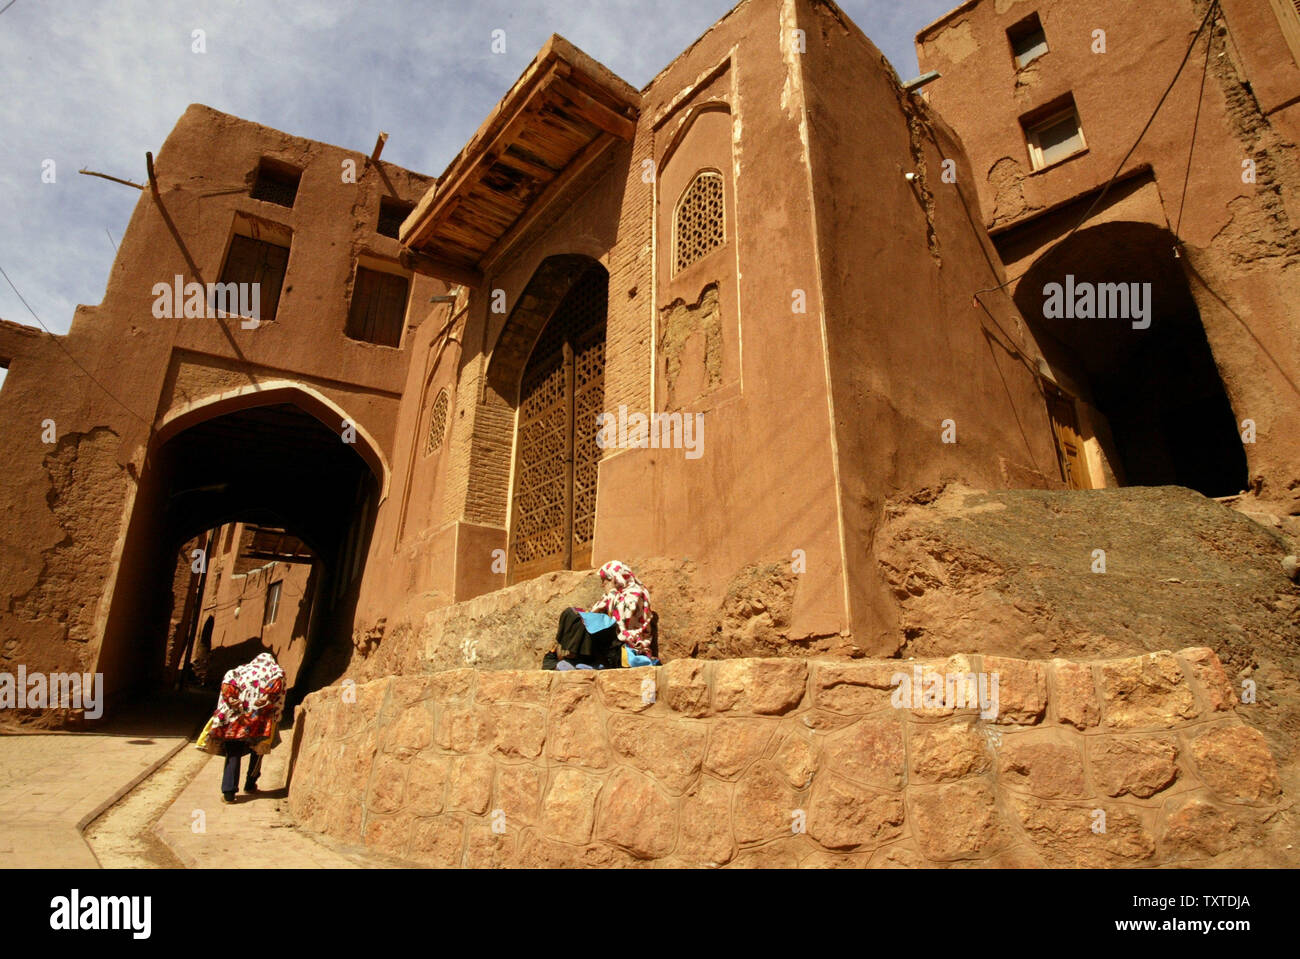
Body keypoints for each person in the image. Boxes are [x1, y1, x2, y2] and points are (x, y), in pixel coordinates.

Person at [198, 651, 286, 803]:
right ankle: (250, 784)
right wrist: (266, 698)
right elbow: (275, 689)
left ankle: (229, 793)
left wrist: (232, 698)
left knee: (233, 753)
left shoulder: (238, 671)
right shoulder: (275, 671)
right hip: (259, 719)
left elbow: (227, 684)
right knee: (258, 751)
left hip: (235, 718)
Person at [543, 560, 658, 669]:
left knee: (582, 619)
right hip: (608, 644)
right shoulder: (610, 597)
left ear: (615, 579)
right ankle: (569, 658)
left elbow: (622, 621)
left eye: (605, 580)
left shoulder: (636, 594)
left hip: (624, 646)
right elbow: (594, 616)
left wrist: (612, 593)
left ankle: (573, 660)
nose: (602, 585)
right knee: (572, 615)